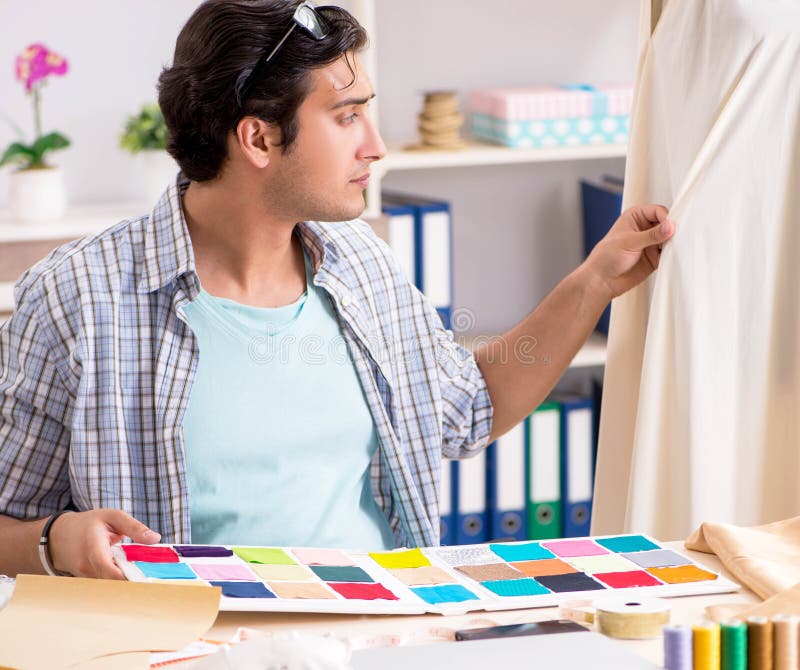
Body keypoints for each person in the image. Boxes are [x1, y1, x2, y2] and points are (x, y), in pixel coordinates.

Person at [0, 0, 674, 579]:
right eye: (347, 116)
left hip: (370, 637)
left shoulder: (362, 267)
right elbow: (8, 523)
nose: (376, 145)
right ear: (258, 138)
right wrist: (54, 543)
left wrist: (591, 284)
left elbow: (468, 408)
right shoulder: (75, 300)